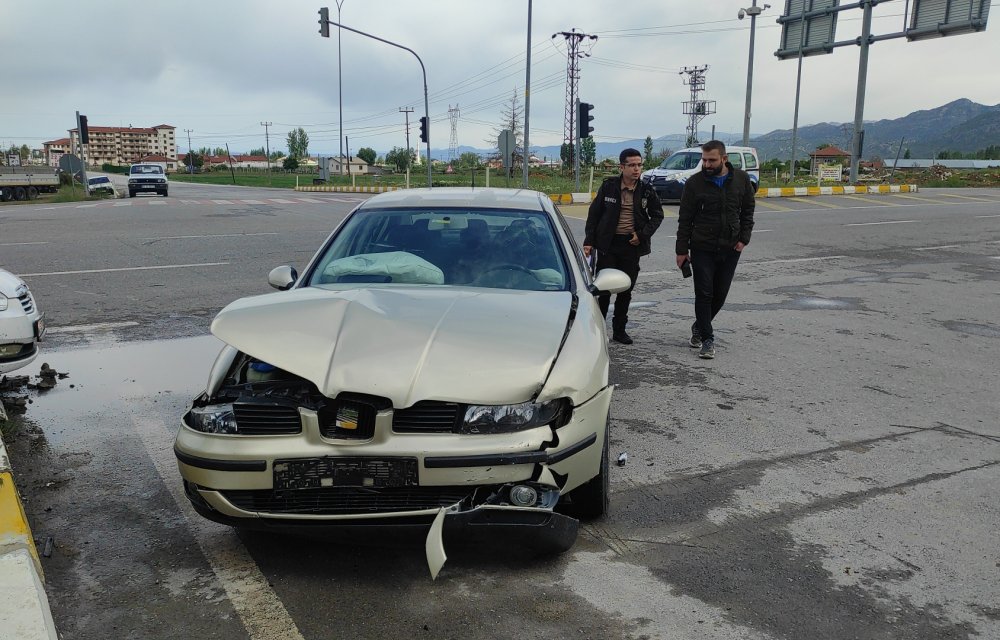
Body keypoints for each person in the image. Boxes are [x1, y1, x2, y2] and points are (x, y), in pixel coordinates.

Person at [675, 140, 755, 359]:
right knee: (704, 293)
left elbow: (748, 211)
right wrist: (682, 250)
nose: (707, 164)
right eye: (704, 160)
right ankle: (707, 339)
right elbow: (685, 219)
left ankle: (699, 326)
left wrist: (743, 239)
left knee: (720, 294)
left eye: (712, 160)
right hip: (702, 247)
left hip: (731, 247)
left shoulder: (741, 179)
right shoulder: (694, 183)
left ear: (724, 159)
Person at [584, 148, 664, 344]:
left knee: (625, 290)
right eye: (632, 165)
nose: (636, 169)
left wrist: (642, 235)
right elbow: (594, 214)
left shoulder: (646, 190)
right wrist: (589, 241)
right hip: (608, 245)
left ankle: (620, 330)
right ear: (622, 167)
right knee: (603, 290)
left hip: (631, 245)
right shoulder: (609, 187)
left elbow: (657, 215)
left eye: (639, 165)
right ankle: (599, 331)